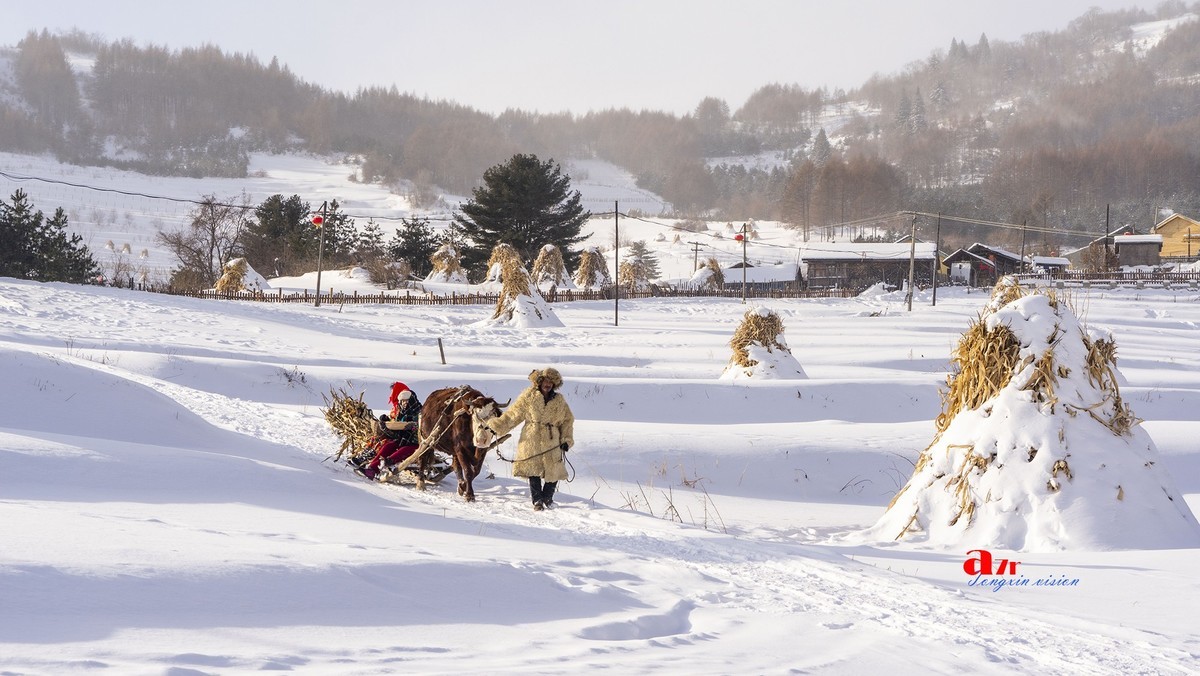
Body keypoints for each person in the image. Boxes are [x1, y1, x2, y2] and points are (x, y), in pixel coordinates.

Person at [489, 367, 575, 510]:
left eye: (551, 382)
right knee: (532, 469)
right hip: (531, 437)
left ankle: (548, 498)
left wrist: (566, 440)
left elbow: (567, 420)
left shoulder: (560, 401)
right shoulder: (528, 396)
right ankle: (537, 501)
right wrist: (498, 426)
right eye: (545, 381)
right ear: (539, 382)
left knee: (554, 469)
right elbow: (513, 414)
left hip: (552, 438)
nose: (548, 384)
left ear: (554, 384)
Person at [361, 382, 423, 480]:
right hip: (402, 439)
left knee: (405, 450)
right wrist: (386, 423)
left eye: (406, 401)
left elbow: (421, 428)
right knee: (388, 446)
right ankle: (372, 468)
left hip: (416, 442)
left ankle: (389, 462)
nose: (404, 404)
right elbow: (397, 425)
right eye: (402, 402)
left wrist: (414, 427)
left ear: (411, 401)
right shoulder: (401, 413)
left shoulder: (420, 413)